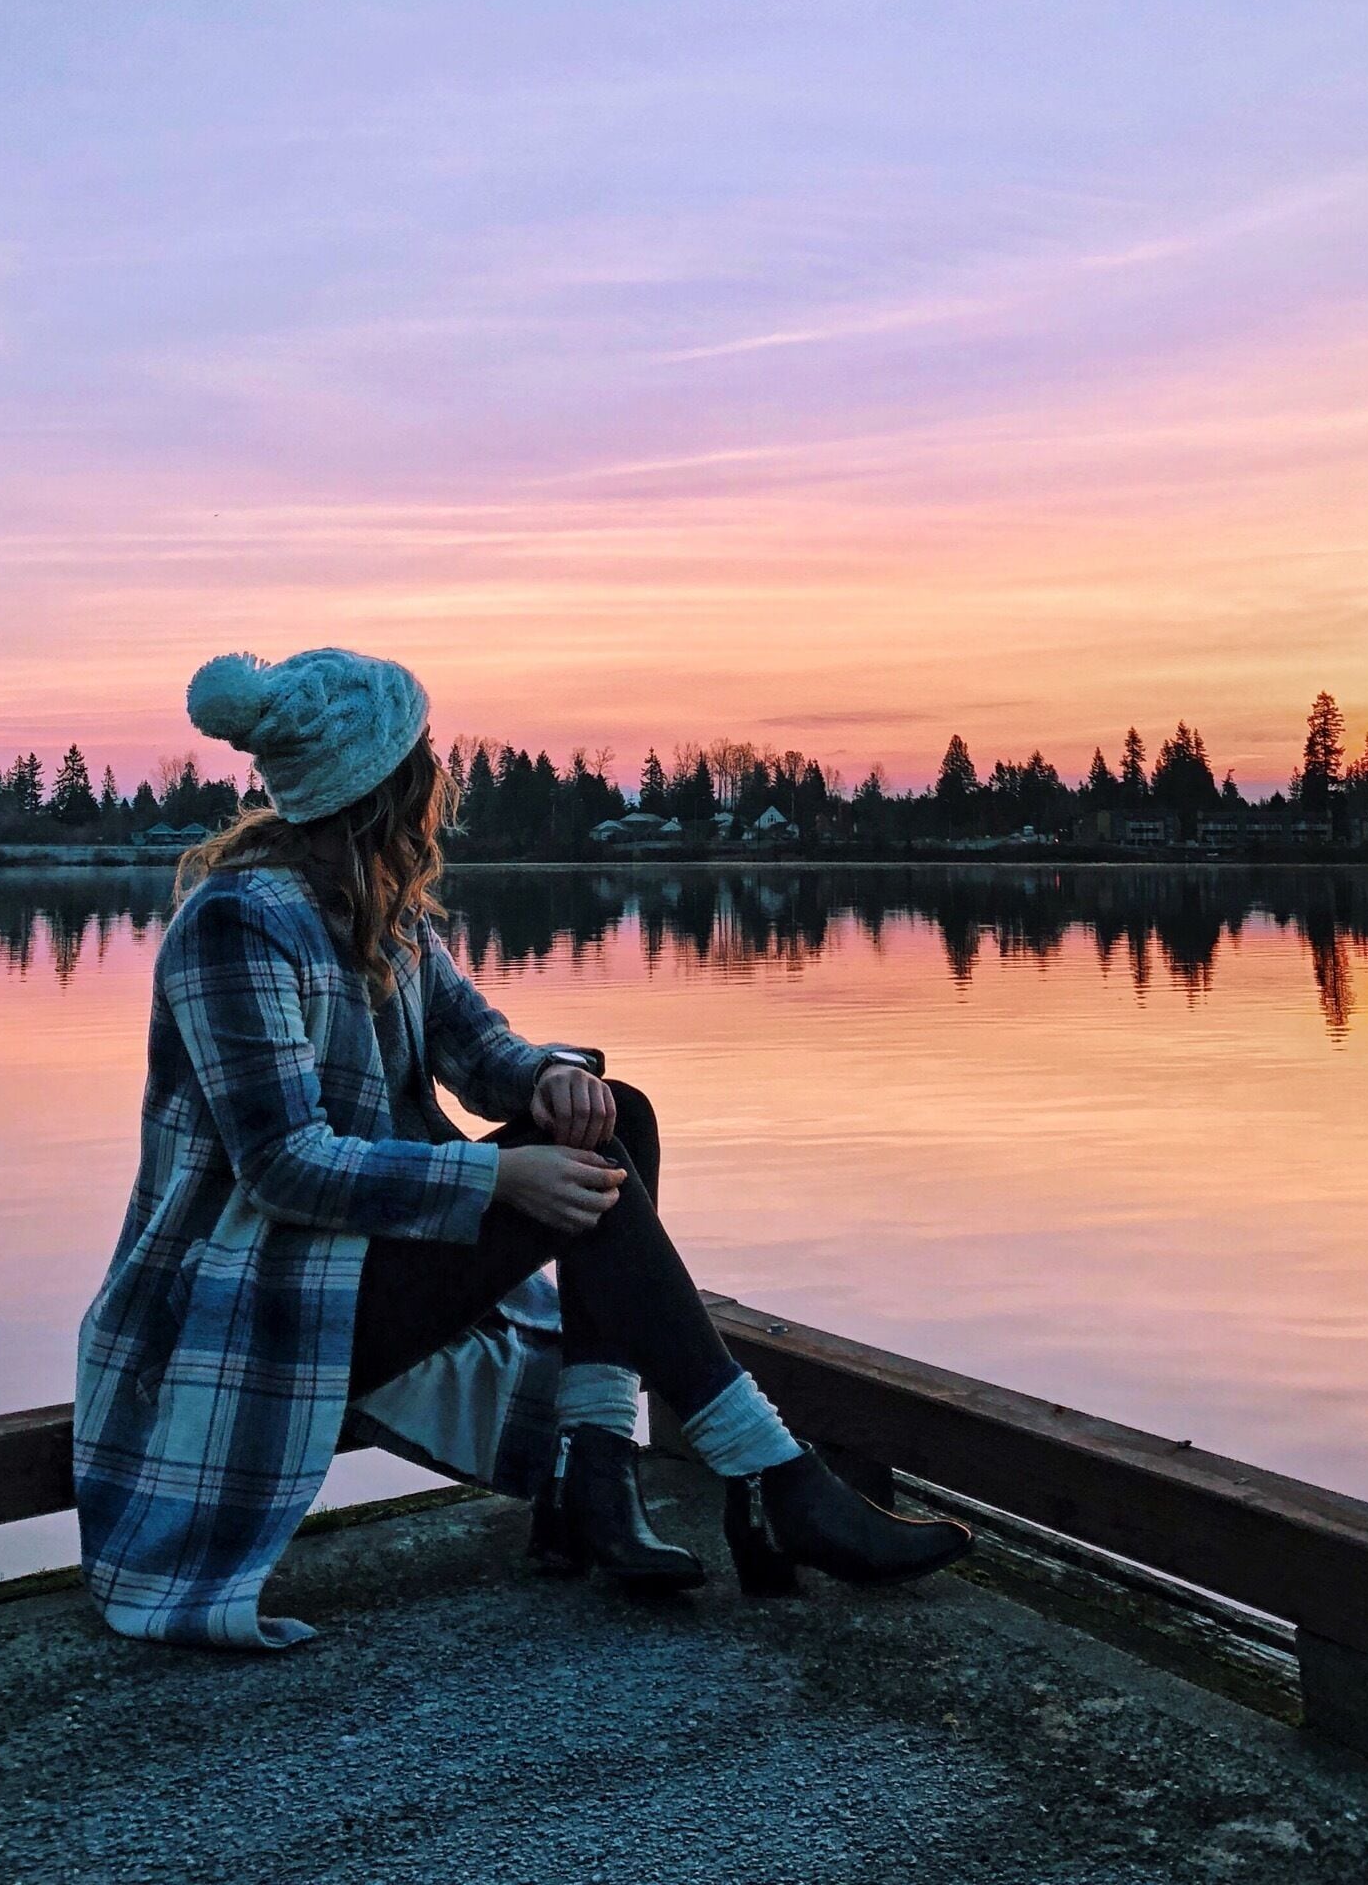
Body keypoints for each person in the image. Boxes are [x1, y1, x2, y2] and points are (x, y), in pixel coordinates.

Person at [74, 645, 969, 1647]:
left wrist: (549, 1082)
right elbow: (282, 1165)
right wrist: (500, 1175)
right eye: (424, 758)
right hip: (253, 1298)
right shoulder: (237, 925)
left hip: (350, 1270)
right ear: (389, 782)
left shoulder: (378, 911)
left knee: (611, 1113)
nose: (438, 778)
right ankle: (766, 1478)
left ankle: (607, 1471)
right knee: (589, 1173)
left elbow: (479, 1048)